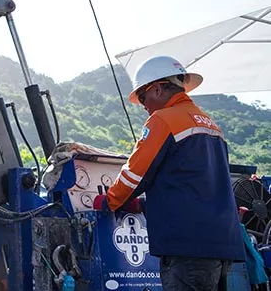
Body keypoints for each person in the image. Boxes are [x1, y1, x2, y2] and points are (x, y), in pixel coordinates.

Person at [93, 55, 245, 291]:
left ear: (157, 88)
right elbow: (193, 184)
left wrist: (109, 200)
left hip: (188, 246)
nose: (143, 105)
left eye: (143, 97)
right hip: (222, 244)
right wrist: (143, 205)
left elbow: (135, 174)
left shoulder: (163, 120)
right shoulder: (212, 126)